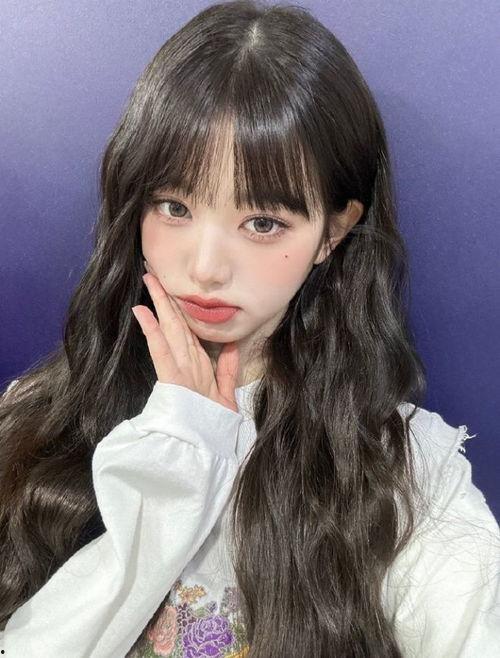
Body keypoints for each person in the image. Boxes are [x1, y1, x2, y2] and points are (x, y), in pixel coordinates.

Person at [1, 1, 499, 656]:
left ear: (334, 232)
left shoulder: (406, 471)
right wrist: (172, 466)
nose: (206, 268)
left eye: (263, 223)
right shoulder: (34, 423)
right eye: (174, 206)